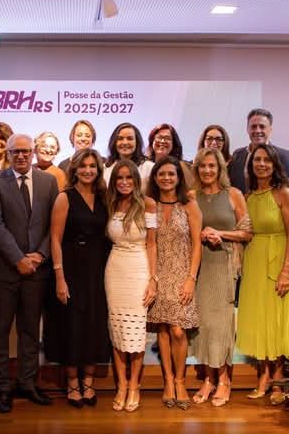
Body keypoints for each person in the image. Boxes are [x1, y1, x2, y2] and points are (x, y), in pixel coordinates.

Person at [0, 134, 58, 413]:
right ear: (8, 153)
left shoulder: (49, 182)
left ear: (33, 152)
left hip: (37, 271)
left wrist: (40, 255)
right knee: (0, 331)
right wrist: (18, 259)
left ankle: (28, 383)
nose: (21, 156)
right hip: (5, 270)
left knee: (30, 330)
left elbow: (54, 224)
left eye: (26, 151)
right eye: (15, 151)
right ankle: (2, 387)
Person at [45, 148, 111, 408]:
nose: (87, 170)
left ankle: (89, 381)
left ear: (98, 169)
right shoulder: (65, 197)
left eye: (92, 166)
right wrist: (59, 277)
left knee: (94, 323)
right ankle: (73, 382)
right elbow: (55, 239)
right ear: (74, 169)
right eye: (83, 166)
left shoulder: (104, 197)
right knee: (71, 324)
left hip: (98, 267)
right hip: (71, 266)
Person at [189, 148, 251, 407]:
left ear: (220, 169)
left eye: (212, 166)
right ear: (197, 169)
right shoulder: (191, 196)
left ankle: (224, 379)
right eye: (202, 166)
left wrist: (221, 234)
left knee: (222, 325)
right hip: (199, 267)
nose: (207, 170)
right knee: (203, 324)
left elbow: (247, 233)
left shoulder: (233, 194)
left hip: (225, 266)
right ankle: (208, 378)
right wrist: (202, 234)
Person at [147, 156, 202, 410]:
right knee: (163, 330)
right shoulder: (150, 205)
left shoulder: (189, 204)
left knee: (178, 331)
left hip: (182, 274)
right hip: (158, 274)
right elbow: (150, 243)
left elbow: (197, 245)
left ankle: (181, 381)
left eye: (171, 174)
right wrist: (152, 278)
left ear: (179, 178)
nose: (166, 178)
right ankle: (168, 381)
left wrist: (191, 278)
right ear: (155, 178)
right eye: (162, 174)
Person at [237, 144, 289, 405]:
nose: (261, 164)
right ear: (250, 165)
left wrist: (286, 271)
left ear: (274, 164)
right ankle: (263, 377)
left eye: (267, 160)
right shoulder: (248, 197)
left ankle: (278, 380)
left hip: (277, 259)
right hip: (254, 262)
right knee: (259, 320)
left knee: (275, 321)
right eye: (257, 160)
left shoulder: (282, 193)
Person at [105, 159, 157, 412]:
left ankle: (135, 385)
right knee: (117, 330)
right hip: (115, 270)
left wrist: (153, 280)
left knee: (136, 332)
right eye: (119, 177)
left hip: (139, 269)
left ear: (136, 180)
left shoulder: (148, 204)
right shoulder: (110, 203)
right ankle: (122, 386)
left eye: (129, 177)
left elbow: (152, 244)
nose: (124, 182)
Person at [228, 108, 289, 193]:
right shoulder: (237, 154)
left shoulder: (285, 156)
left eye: (262, 126)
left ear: (270, 129)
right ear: (247, 129)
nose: (257, 130)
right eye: (253, 126)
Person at [104, 122, 154, 193]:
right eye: (120, 138)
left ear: (137, 142)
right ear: (114, 142)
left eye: (130, 138)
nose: (125, 142)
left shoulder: (149, 167)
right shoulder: (105, 168)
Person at [147, 123, 194, 188]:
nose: (162, 141)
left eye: (167, 138)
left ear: (174, 143)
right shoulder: (145, 165)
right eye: (159, 137)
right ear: (152, 141)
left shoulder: (182, 167)